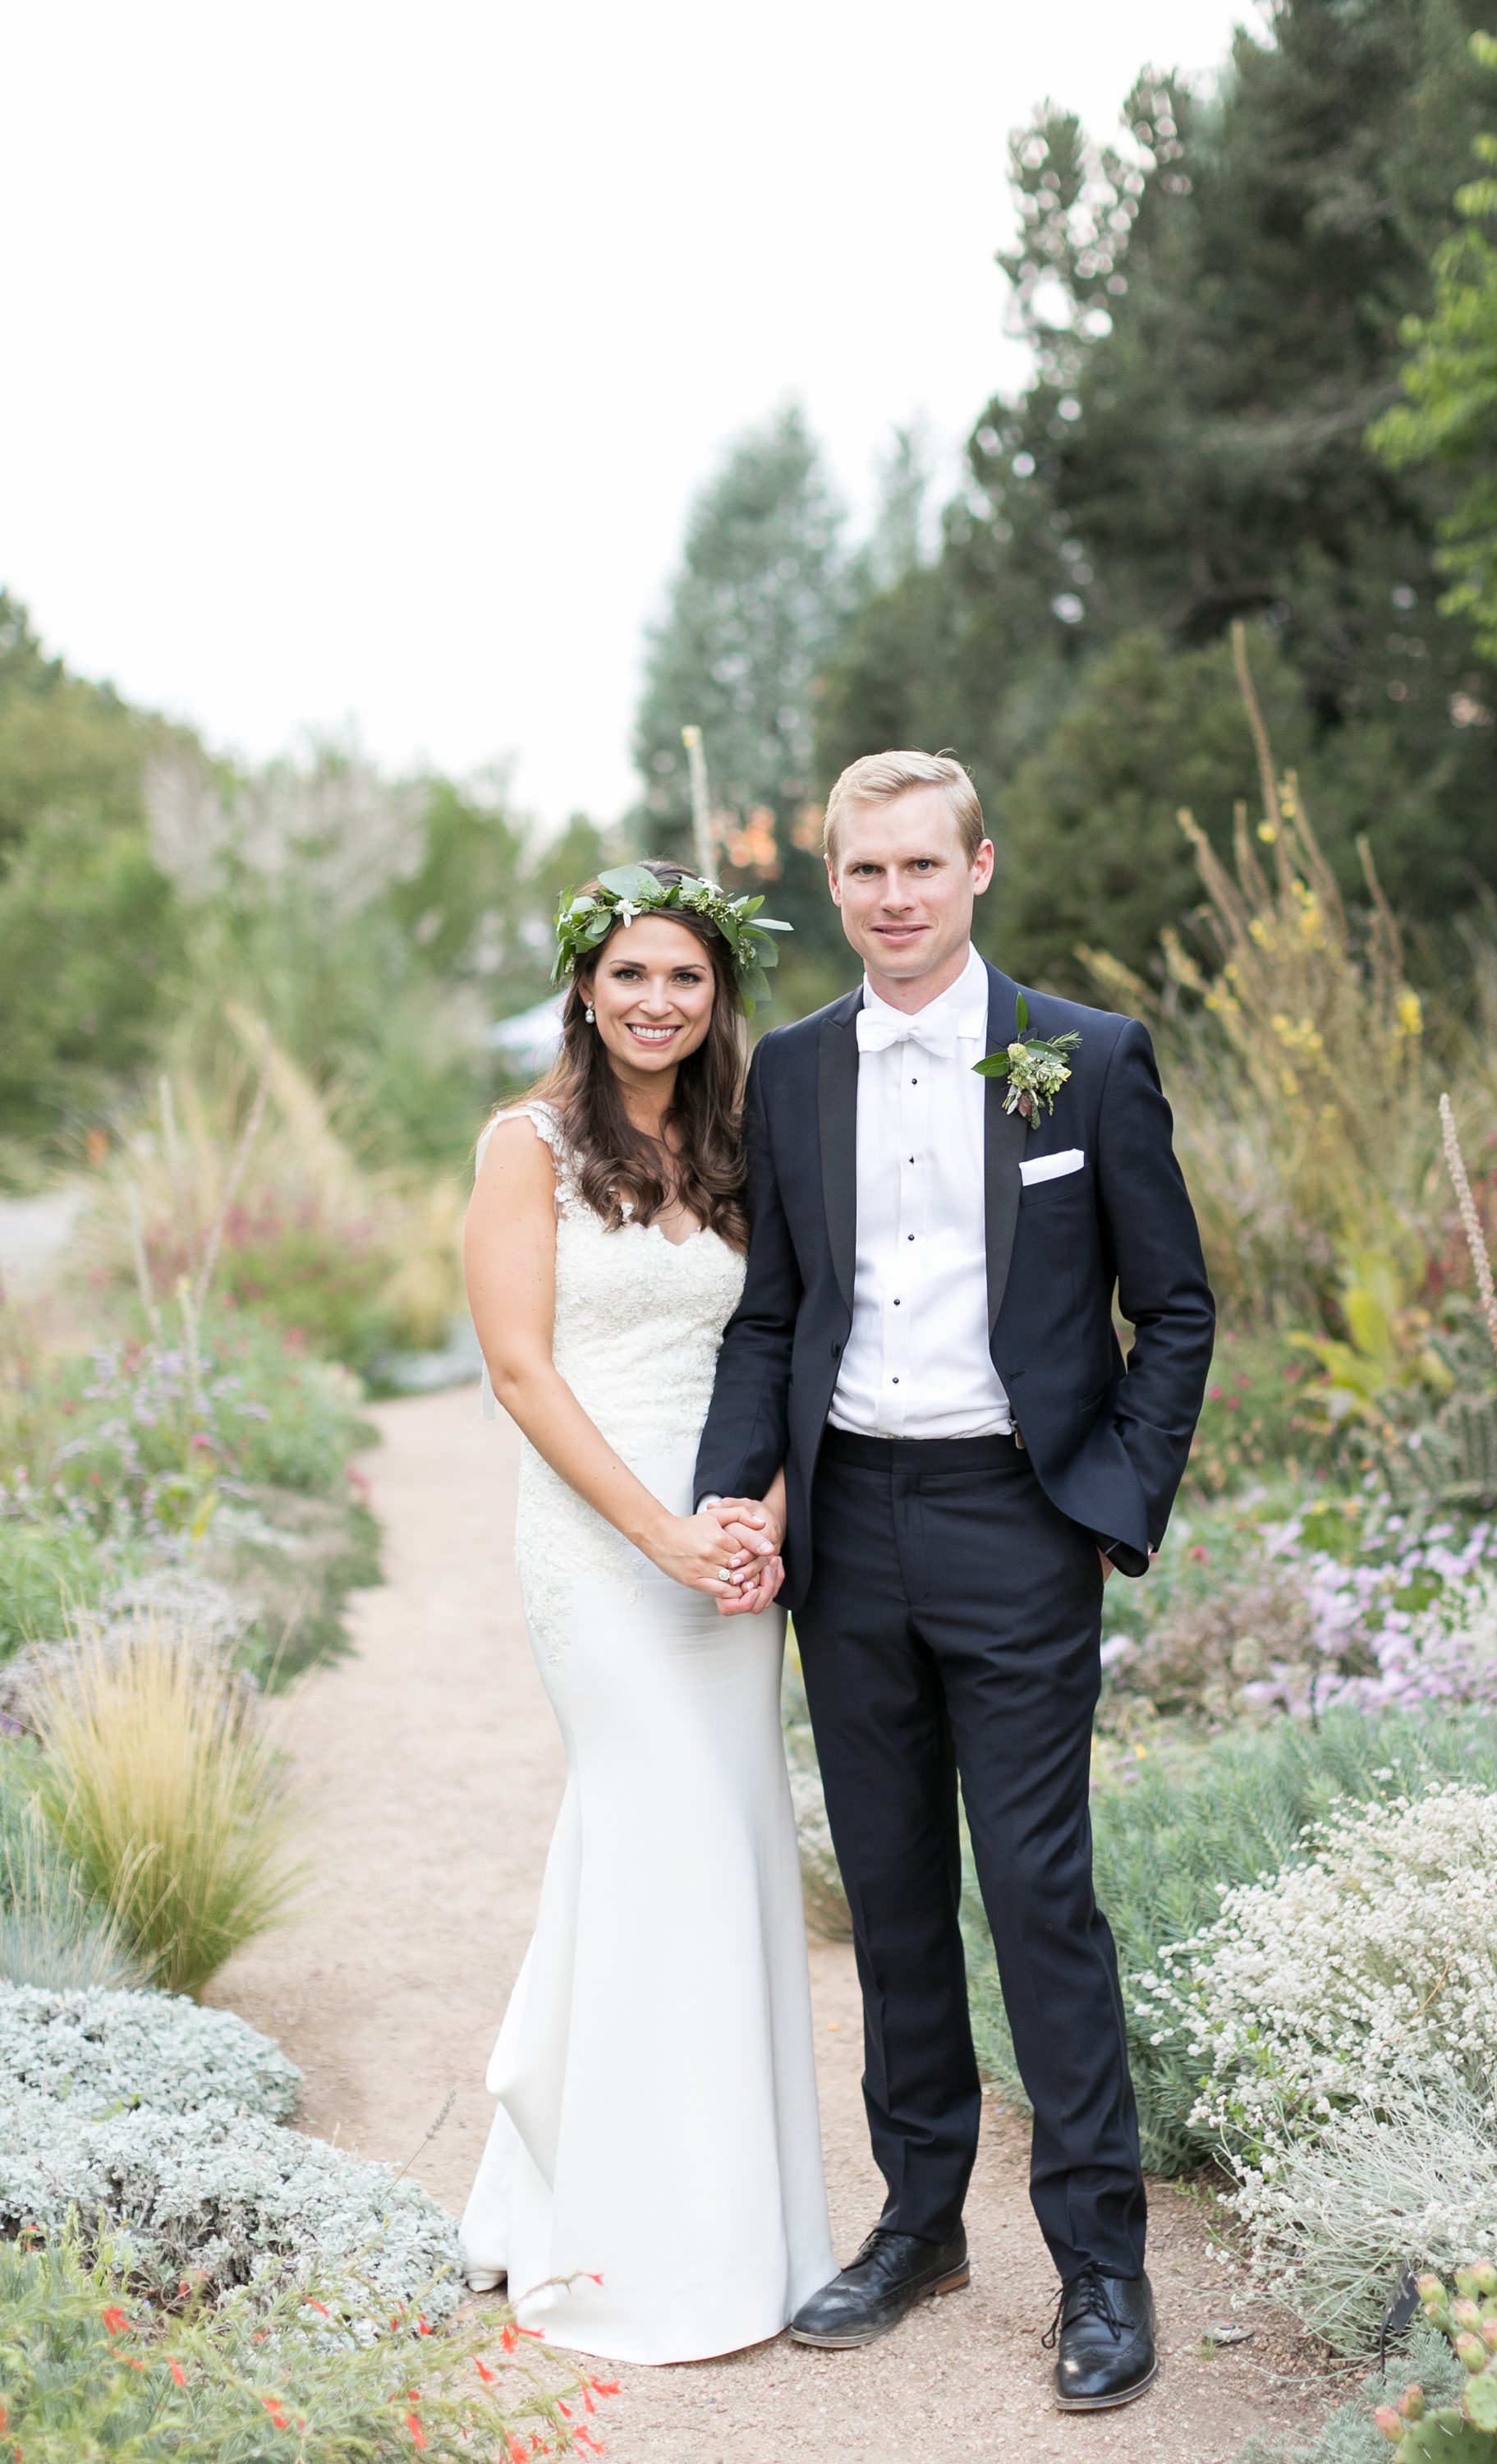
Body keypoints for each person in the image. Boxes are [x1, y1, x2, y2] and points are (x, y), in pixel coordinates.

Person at [695, 752, 1215, 2413]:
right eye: (866, 870)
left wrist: (1108, 1503)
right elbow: (774, 1312)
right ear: (834, 884)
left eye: (923, 864)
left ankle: (1101, 2267)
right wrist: (734, 1495)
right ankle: (920, 2225)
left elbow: (1174, 1308)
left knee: (1039, 1897)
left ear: (978, 867)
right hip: (849, 1528)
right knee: (895, 1896)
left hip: (1015, 1523)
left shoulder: (1082, 1057)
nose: (894, 896)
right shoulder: (791, 1071)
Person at [457, 860, 835, 2365]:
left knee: (717, 1849)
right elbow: (521, 1372)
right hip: (601, 1549)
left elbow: (794, 1336)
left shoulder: (749, 1144)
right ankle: (639, 2248)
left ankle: (730, 2225)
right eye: (631, 975)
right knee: (660, 1833)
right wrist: (659, 1534)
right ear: (585, 988)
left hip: (733, 1549)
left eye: (686, 976)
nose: (658, 1001)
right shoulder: (529, 1147)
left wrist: (761, 1521)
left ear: (718, 992)